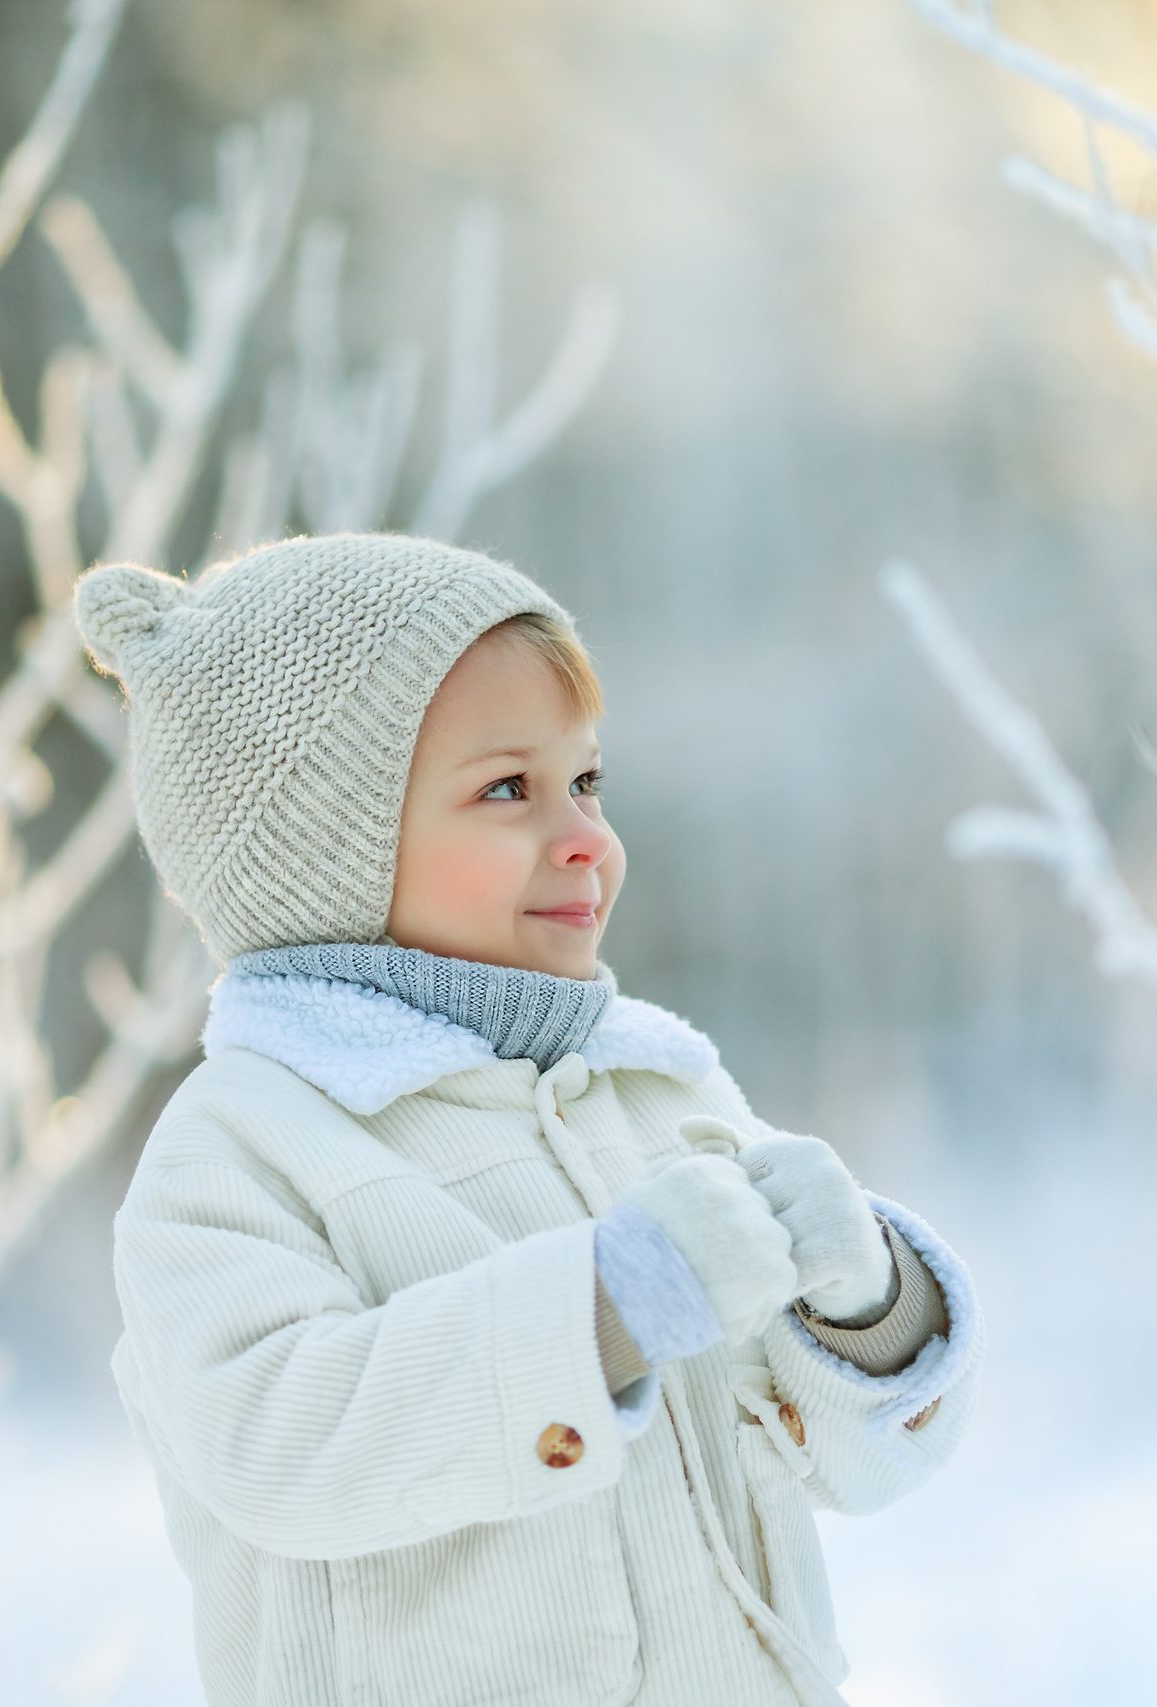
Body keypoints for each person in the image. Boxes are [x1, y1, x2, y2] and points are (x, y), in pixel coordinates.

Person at [76, 534, 981, 1707]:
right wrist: (599, 1312)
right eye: (508, 789)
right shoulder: (243, 1147)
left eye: (586, 781)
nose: (585, 839)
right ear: (322, 848)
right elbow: (277, 1444)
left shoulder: (658, 1093)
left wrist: (866, 1308)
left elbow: (848, 1464)